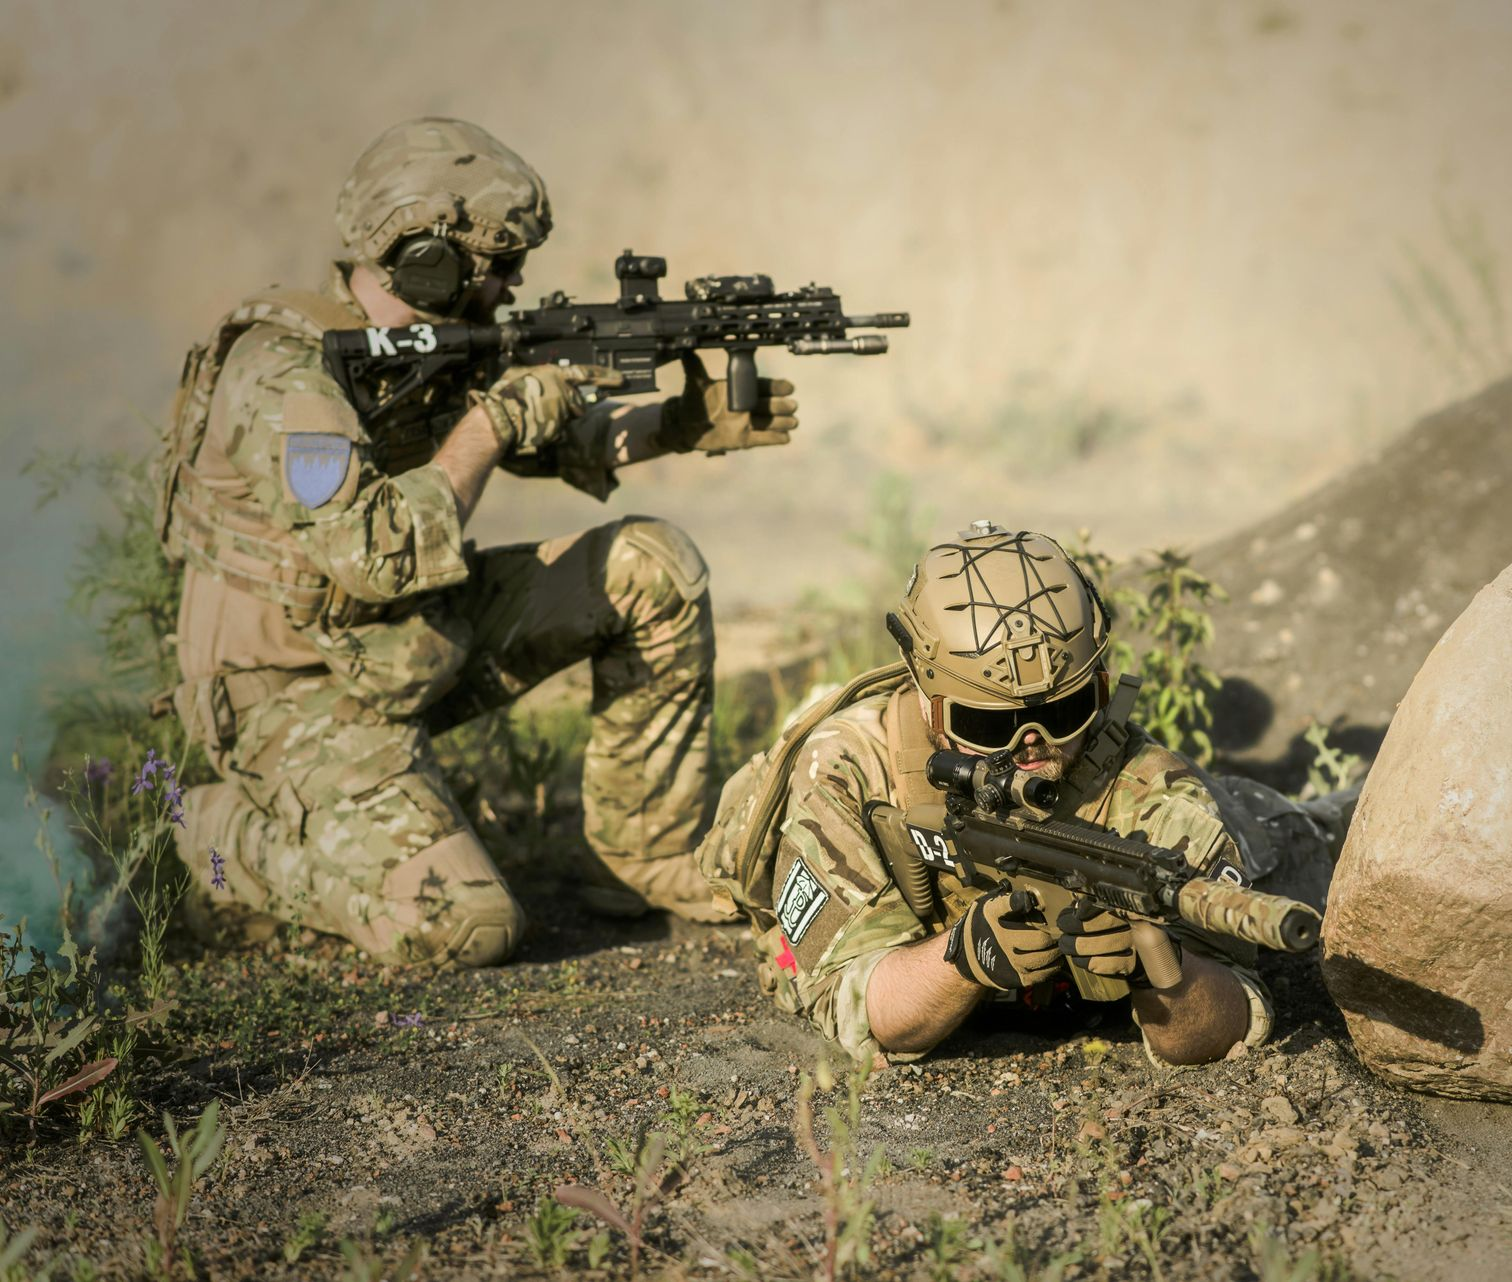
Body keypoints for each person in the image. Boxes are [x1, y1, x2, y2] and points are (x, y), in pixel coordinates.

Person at [158, 117, 798, 967]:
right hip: (286, 691)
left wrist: (681, 424)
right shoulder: (283, 375)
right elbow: (375, 554)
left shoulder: (430, 345)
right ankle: (211, 836)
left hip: (404, 641)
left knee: (654, 567)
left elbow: (559, 443)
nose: (514, 283)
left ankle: (644, 857)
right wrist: (496, 420)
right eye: (499, 264)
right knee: (464, 926)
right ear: (429, 255)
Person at [697, 522, 1353, 1067]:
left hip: (1262, 832)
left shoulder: (1149, 789)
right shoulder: (849, 770)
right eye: (988, 725)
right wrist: (963, 959)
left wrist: (1162, 967)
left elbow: (1225, 1025)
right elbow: (862, 1012)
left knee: (1312, 832)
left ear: (1099, 691)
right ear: (930, 701)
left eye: (1065, 711)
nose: (1032, 746)